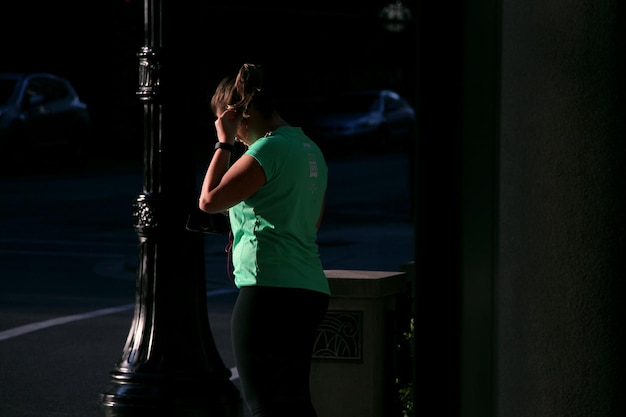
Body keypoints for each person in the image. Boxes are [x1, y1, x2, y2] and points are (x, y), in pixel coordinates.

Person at [198, 63, 330, 417]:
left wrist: (222, 142)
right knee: (296, 400)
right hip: (310, 290)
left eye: (231, 124)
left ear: (242, 113)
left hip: (267, 289)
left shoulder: (266, 151)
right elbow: (311, 222)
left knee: (263, 404)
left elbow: (209, 200)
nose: (239, 137)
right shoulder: (309, 149)